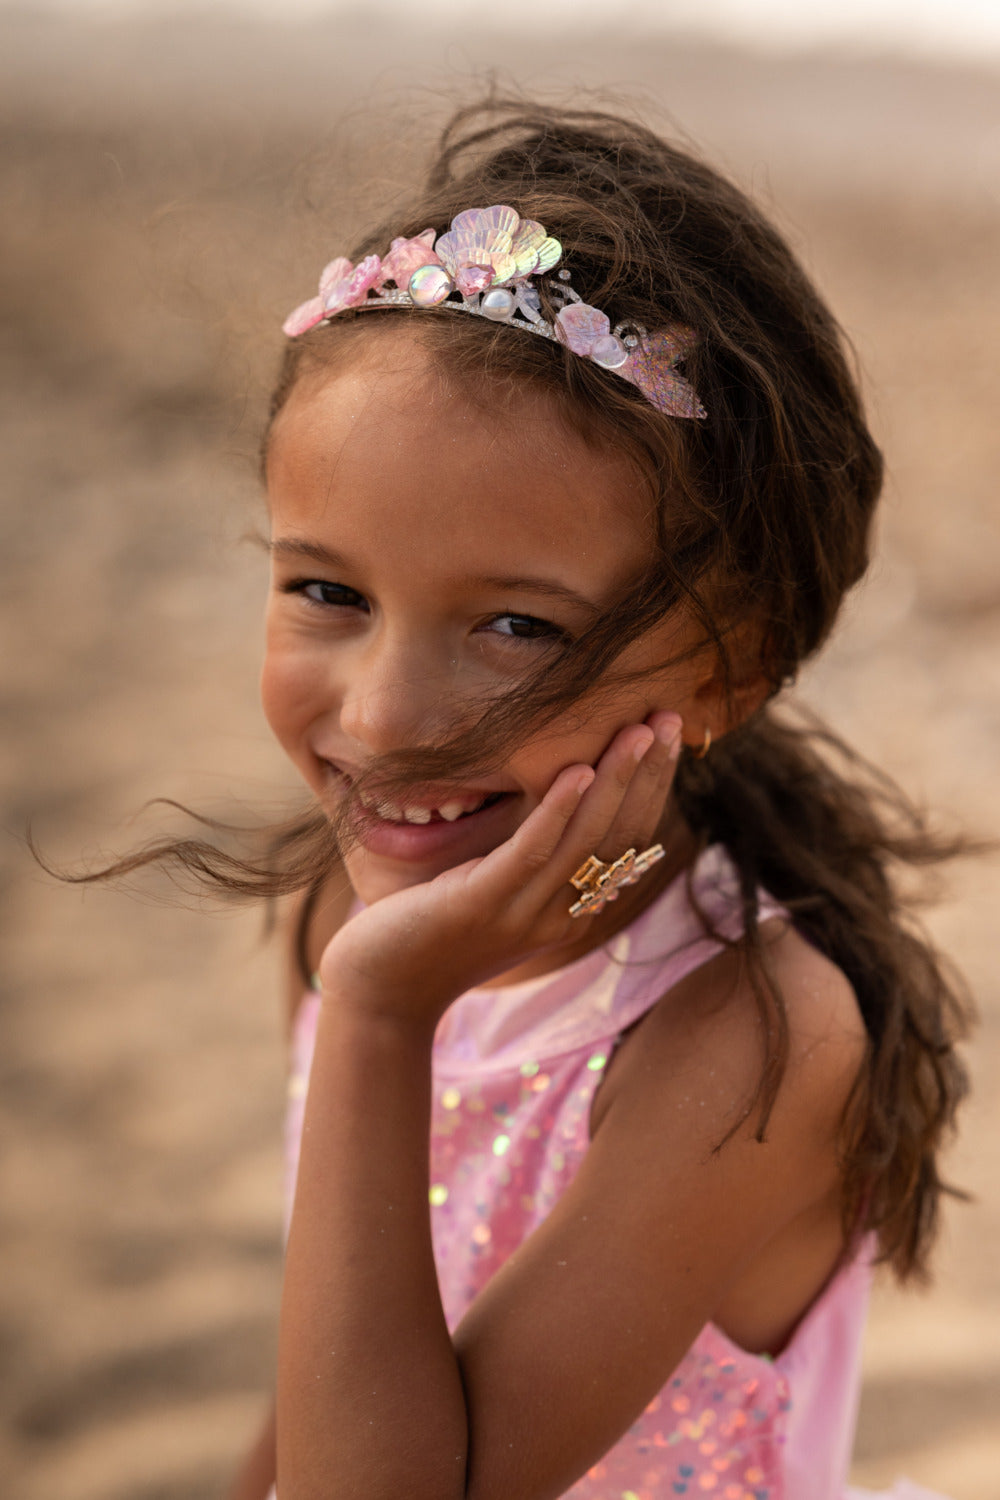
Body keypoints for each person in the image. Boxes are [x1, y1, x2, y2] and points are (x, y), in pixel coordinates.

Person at [201, 100, 970, 1500]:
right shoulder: (344, 902)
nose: (381, 718)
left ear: (728, 674)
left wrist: (380, 1018)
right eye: (328, 591)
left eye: (518, 628)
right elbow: (319, 1388)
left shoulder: (748, 1033)